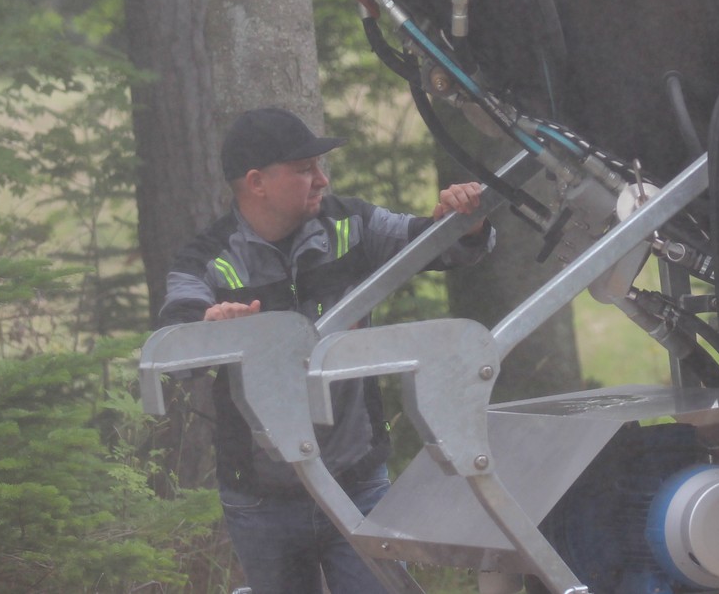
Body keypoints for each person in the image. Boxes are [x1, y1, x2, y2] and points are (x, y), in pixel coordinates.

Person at [157, 107, 493, 594]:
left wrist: (465, 222)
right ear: (256, 183)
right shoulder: (206, 258)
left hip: (357, 483)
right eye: (304, 169)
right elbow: (176, 337)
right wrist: (207, 329)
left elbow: (437, 245)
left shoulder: (353, 223)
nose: (322, 179)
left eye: (320, 166)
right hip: (259, 499)